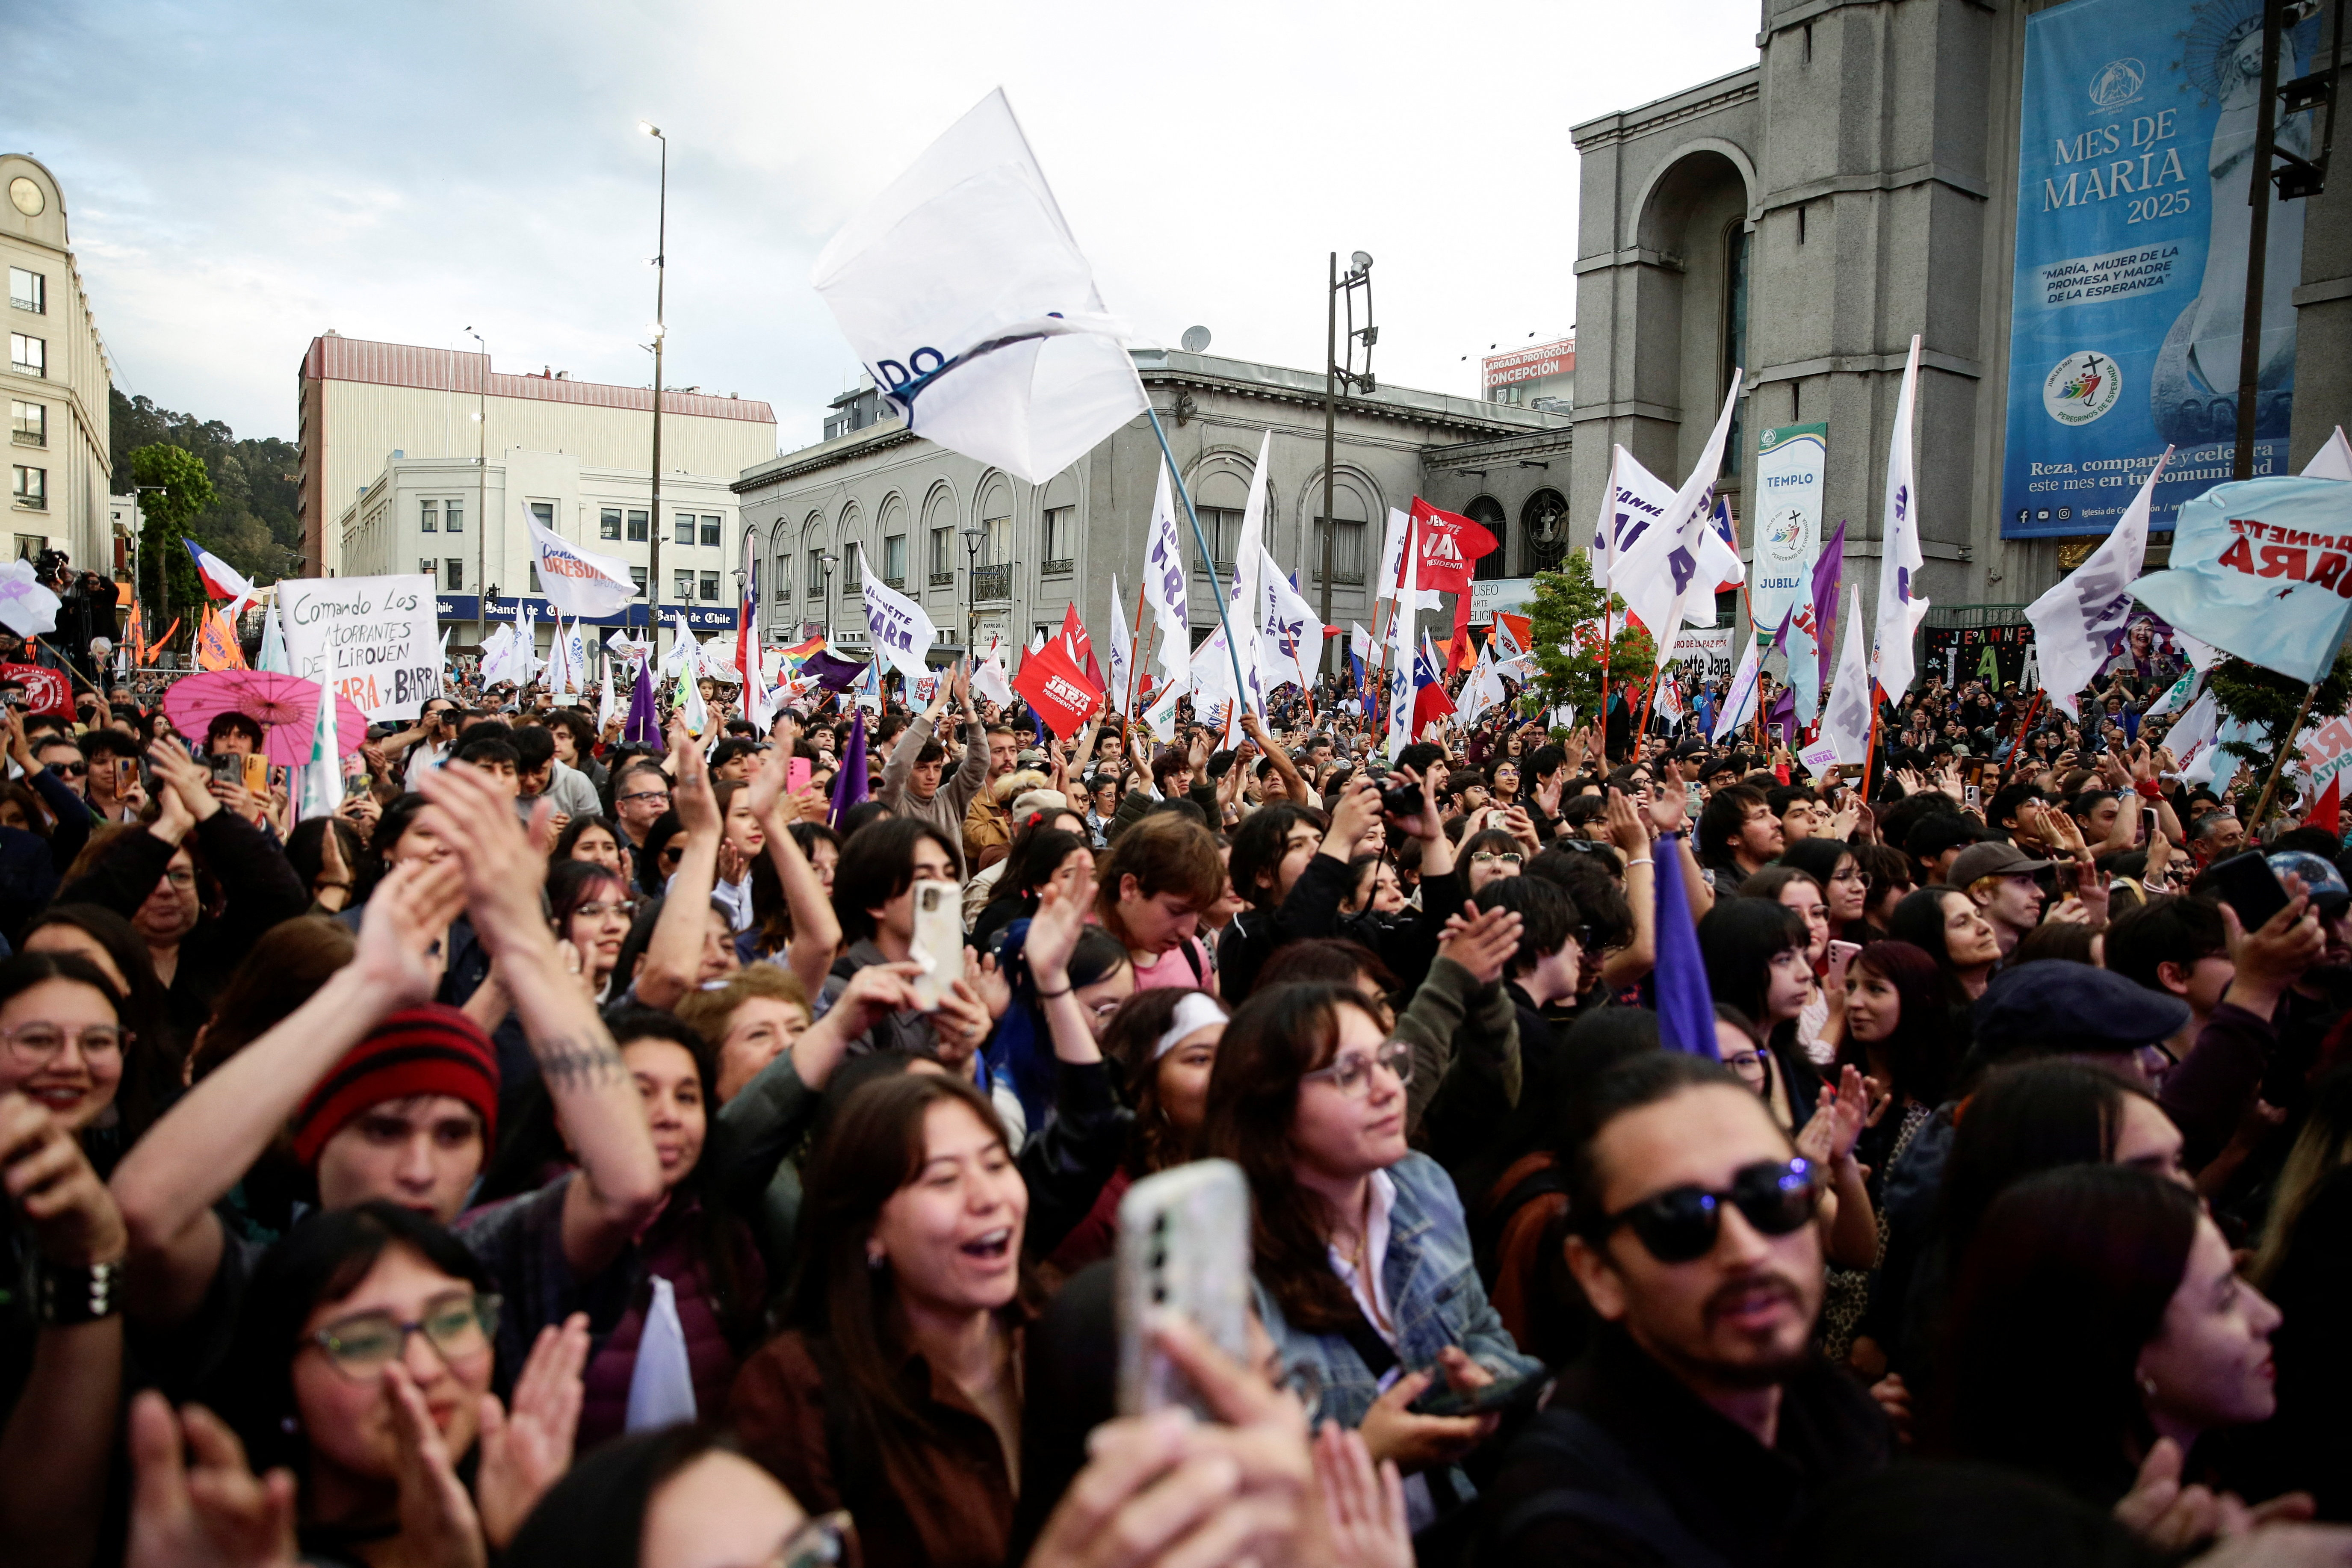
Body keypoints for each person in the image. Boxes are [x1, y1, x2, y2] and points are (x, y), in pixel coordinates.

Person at [1482, 1051, 1890, 1563]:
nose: (1746, 1251)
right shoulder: (1570, 1526)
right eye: (1677, 1218)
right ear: (1597, 1273)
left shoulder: (1836, 1411)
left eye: (1770, 1193)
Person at [1203, 981, 1541, 1533]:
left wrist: (1485, 1379)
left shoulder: (1420, 1186)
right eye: (1349, 1074)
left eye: (1387, 1060)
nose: (1387, 1089)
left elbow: (1481, 1327)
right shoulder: (1226, 1275)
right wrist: (1364, 1454)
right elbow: (1223, 1504)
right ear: (1270, 1105)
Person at [731, 1072, 1032, 1568]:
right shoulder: (798, 1392)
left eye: (996, 1164)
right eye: (944, 1179)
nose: (987, 1197)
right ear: (870, 1229)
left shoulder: (1068, 1337)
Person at [209, 1201, 592, 1566]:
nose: (424, 1370)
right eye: (366, 1341)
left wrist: (537, 1538)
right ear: (279, 1376)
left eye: (454, 1321)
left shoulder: (534, 1516)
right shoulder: (245, 1554)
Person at [1941, 1164, 2285, 1518]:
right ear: (2122, 1347)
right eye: (2225, 1299)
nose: (2270, 1315)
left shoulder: (2212, 1478)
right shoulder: (2054, 1533)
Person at [57, 738, 309, 1036]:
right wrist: (172, 826)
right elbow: (67, 918)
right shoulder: (92, 964)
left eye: (180, 876)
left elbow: (282, 898)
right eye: (150, 878)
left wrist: (207, 807)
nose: (165, 890)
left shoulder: (224, 953)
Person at [876, 662, 989, 876]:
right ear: (910, 769)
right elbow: (899, 763)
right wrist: (938, 703)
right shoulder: (892, 802)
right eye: (922, 768)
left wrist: (966, 705)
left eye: (937, 768)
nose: (931, 776)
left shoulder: (951, 798)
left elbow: (979, 764)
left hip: (955, 904)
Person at [1886, 884, 2003, 1002]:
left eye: (1979, 915)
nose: (1985, 927)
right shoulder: (1936, 1017)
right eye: (1963, 923)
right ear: (1931, 942)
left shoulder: (2012, 997)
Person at [1949, 840, 2061, 958]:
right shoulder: (1963, 966)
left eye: (2035, 882)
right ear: (1981, 894)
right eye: (2022, 881)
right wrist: (2047, 940)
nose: (2040, 894)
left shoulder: (2017, 956)